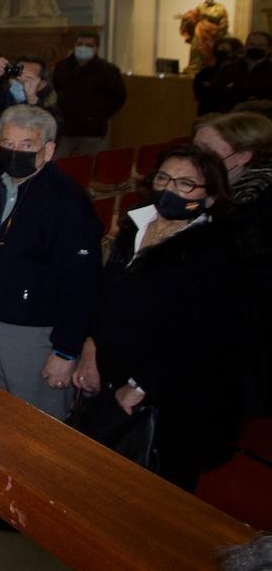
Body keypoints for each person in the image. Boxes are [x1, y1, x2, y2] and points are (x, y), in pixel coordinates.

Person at [72, 147, 241, 491]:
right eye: (163, 178)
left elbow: (200, 338)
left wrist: (137, 389)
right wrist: (90, 347)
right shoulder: (136, 223)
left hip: (168, 398)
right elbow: (106, 293)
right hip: (110, 375)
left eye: (185, 184)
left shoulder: (215, 253)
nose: (170, 189)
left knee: (149, 492)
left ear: (209, 198)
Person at [0, 105, 101, 421]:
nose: (16, 152)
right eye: (9, 143)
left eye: (27, 145)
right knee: (0, 415)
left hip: (36, 332)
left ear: (48, 150)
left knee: (38, 426)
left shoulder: (65, 201)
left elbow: (82, 282)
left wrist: (65, 350)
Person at [194, 112, 272, 415]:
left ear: (242, 156)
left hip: (246, 322)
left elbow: (243, 262)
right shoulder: (222, 186)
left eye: (208, 152)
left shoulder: (255, 200)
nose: (196, 158)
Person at [51, 32, 127, 157]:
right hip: (66, 128)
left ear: (96, 48)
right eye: (80, 44)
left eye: (88, 45)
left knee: (88, 165)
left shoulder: (108, 70)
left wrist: (100, 113)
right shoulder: (62, 66)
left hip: (92, 129)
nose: (83, 47)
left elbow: (119, 97)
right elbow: (58, 87)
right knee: (59, 161)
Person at [0, 54, 57, 139]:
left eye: (28, 78)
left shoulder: (50, 106)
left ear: (42, 84)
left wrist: (32, 101)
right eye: (17, 77)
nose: (21, 81)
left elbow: (48, 135)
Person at [213, 30, 272, 110]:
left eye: (261, 46)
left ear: (269, 49)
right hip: (229, 115)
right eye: (252, 44)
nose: (255, 48)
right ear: (246, 46)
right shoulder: (228, 67)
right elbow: (216, 92)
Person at [195, 37, 242, 115]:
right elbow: (199, 89)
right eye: (219, 49)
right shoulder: (207, 71)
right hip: (207, 110)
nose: (221, 51)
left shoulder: (238, 72)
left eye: (224, 49)